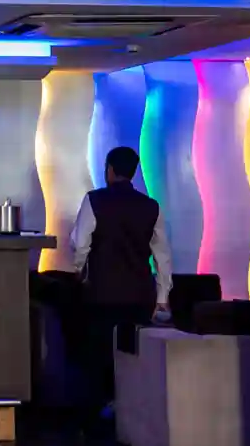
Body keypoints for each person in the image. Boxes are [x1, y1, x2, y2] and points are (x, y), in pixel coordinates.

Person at [69, 146, 173, 422]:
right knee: (132, 357)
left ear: (110, 170)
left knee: (99, 357)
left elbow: (80, 244)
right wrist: (162, 297)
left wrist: (79, 270)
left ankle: (97, 418)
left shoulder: (94, 201)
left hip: (102, 293)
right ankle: (130, 416)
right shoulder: (151, 207)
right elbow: (162, 257)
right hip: (139, 295)